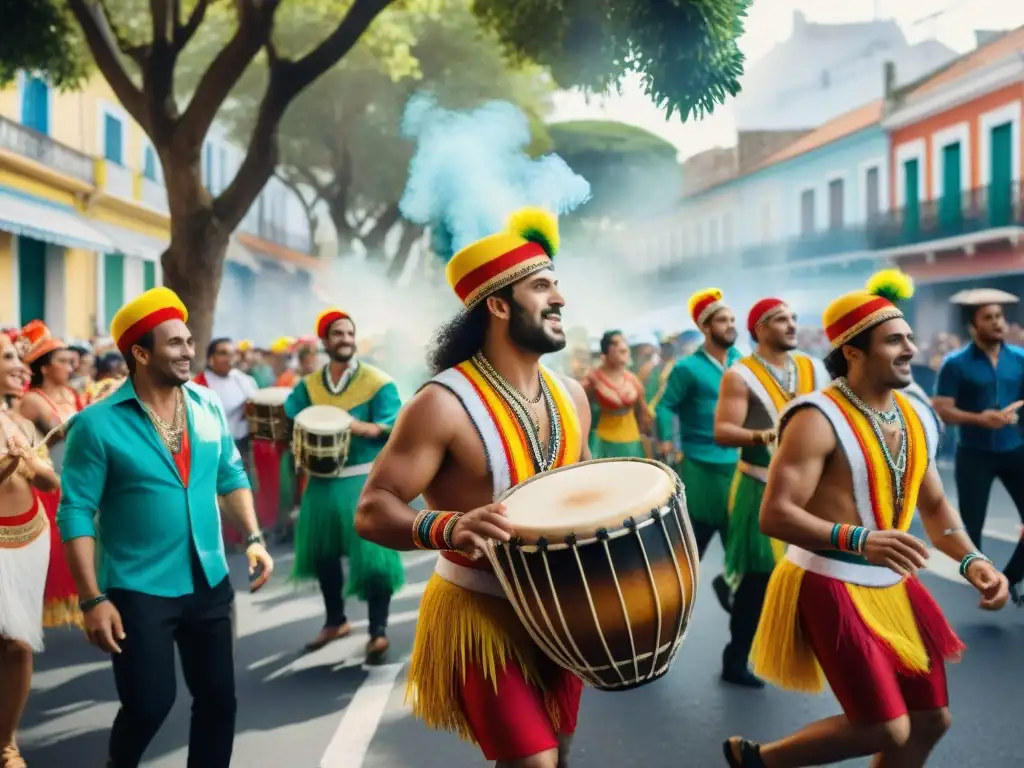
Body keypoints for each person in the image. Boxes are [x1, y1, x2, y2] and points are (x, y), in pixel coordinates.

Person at [727, 274, 1010, 768]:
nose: (911, 348)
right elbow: (774, 514)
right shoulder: (814, 417)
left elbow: (936, 507)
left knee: (930, 721)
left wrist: (973, 561)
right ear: (853, 353)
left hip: (894, 586)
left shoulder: (918, 415)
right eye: (895, 340)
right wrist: (857, 539)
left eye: (909, 338)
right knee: (882, 726)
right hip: (828, 580)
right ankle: (760, 762)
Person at [355, 207, 591, 768]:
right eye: (542, 287)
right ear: (499, 304)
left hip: (560, 612)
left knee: (558, 754)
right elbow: (371, 510)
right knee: (536, 763)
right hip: (479, 613)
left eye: (557, 285)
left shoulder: (573, 395)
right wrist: (451, 526)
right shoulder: (440, 404)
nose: (560, 299)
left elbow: (587, 492)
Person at [56, 287, 274, 768]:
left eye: (189, 340)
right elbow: (74, 511)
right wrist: (93, 599)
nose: (188, 351)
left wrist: (254, 538)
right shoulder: (96, 424)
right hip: (137, 587)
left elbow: (230, 474)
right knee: (149, 705)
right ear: (140, 352)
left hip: (210, 578)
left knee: (219, 701)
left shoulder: (207, 403)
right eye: (174, 343)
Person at [713, 297, 829, 688]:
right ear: (760, 329)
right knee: (759, 580)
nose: (792, 324)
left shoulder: (813, 368)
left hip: (808, 490)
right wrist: (768, 434)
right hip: (757, 486)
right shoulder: (739, 375)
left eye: (794, 318)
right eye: (781, 319)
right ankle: (736, 659)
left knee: (810, 572)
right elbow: (723, 432)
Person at [283, 309, 405, 661]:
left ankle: (378, 631)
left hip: (362, 478)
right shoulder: (309, 385)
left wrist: (358, 426)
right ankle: (335, 620)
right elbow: (291, 416)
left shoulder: (378, 381)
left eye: (349, 333)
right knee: (322, 555)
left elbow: (394, 424)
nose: (345, 339)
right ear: (325, 341)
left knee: (374, 559)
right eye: (338, 334)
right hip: (321, 482)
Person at [933, 289, 1024, 606]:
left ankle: (1009, 579)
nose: (998, 322)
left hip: (1015, 450)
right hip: (974, 453)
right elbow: (942, 408)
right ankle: (983, 579)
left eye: (999, 316)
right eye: (989, 317)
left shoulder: (1020, 358)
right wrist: (979, 418)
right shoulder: (954, 364)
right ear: (973, 326)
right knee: (972, 526)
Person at [655, 288, 741, 611]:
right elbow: (665, 406)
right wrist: (667, 442)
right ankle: (668, 607)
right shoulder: (686, 368)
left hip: (738, 467)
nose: (730, 325)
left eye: (732, 319)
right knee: (692, 549)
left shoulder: (742, 363)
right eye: (722, 320)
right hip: (699, 467)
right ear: (706, 327)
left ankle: (729, 584)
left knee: (743, 545)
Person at [0, 331, 60, 768]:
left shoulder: (18, 420)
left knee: (18, 643)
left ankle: (6, 742)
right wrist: (11, 462)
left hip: (30, 537)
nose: (21, 365)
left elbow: (50, 481)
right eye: (9, 358)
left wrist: (32, 461)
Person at [17, 321, 83, 630]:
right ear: (44, 368)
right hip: (52, 482)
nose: (72, 366)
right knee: (57, 553)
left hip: (81, 480)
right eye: (64, 360)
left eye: (73, 360)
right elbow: (58, 434)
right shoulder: (32, 400)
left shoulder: (74, 394)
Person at [193, 338, 261, 548]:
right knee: (217, 493)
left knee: (241, 489)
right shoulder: (199, 384)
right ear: (211, 358)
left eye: (232, 353)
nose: (229, 358)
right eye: (223, 353)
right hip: (213, 447)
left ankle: (248, 536)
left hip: (241, 444)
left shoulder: (244, 380)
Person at [582, 330, 650, 458]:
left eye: (624, 342)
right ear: (605, 350)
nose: (623, 347)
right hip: (603, 442)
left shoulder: (632, 379)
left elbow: (643, 413)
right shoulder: (593, 378)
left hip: (632, 442)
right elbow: (581, 410)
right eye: (615, 343)